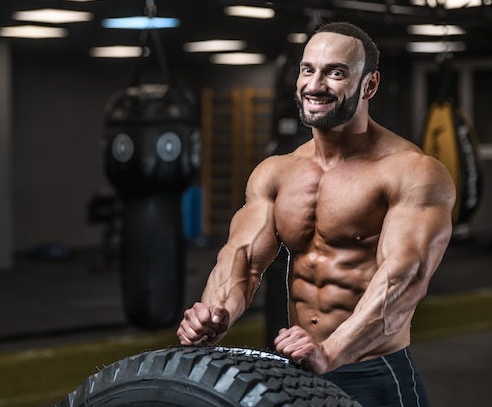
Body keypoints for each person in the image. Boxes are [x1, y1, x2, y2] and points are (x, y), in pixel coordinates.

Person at [177, 21, 456, 407]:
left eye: (336, 73)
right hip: (300, 369)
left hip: (372, 371)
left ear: (369, 85)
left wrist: (331, 351)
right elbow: (241, 259)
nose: (315, 84)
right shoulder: (277, 172)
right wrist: (215, 313)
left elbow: (404, 278)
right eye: (308, 69)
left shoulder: (411, 171)